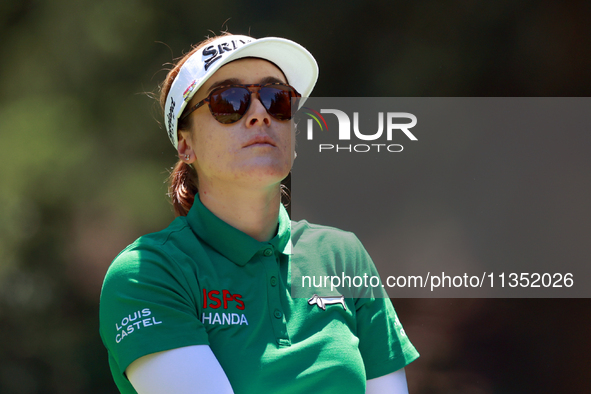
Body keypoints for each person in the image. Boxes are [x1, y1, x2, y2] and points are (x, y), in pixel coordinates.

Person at [99, 33, 419, 394]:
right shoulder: (147, 274)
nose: (260, 114)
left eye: (277, 99)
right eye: (229, 101)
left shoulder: (342, 255)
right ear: (186, 144)